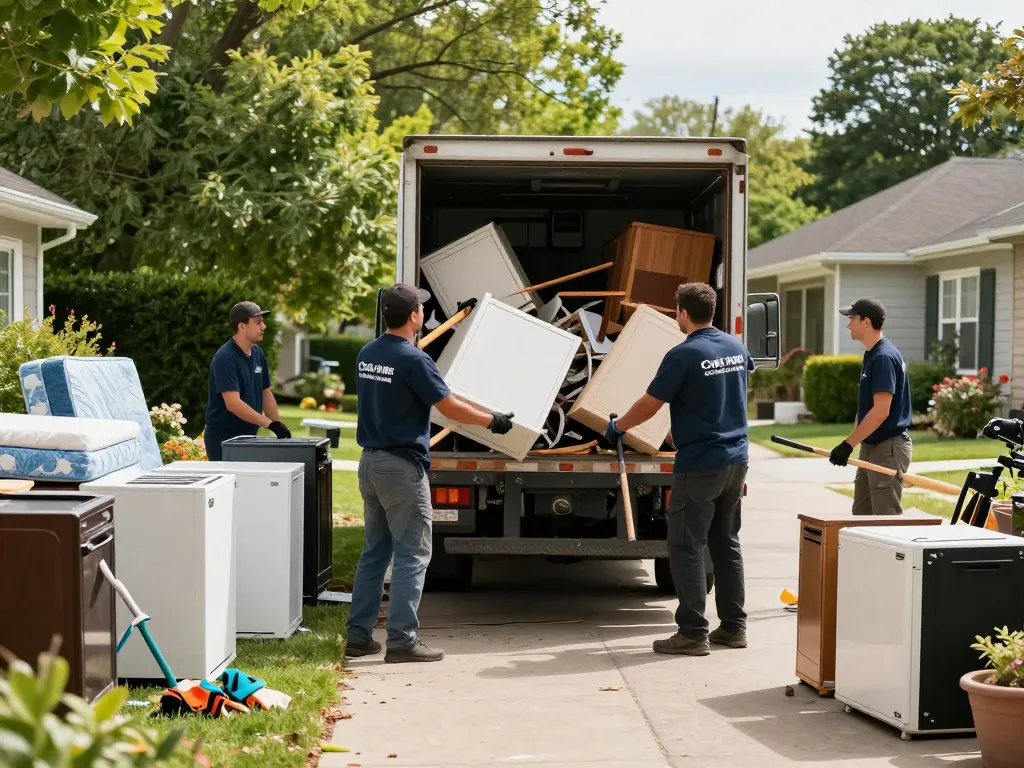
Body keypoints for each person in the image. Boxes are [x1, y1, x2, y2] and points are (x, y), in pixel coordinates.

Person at [345, 284, 515, 663]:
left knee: (375, 552)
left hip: (370, 462)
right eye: (420, 308)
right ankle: (402, 642)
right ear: (414, 317)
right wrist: (493, 421)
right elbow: (448, 406)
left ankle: (358, 636)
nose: (423, 313)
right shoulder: (414, 360)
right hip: (402, 468)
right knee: (413, 553)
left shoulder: (367, 353)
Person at [606, 282, 753, 656]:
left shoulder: (683, 354)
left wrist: (618, 427)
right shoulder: (737, 348)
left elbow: (650, 404)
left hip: (701, 463)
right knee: (726, 543)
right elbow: (722, 392)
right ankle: (734, 628)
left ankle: (692, 633)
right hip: (736, 459)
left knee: (686, 545)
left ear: (682, 313)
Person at [828, 297, 913, 515]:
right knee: (862, 517)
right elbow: (867, 409)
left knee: (885, 521)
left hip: (887, 448)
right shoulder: (873, 354)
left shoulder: (883, 357)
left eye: (852, 318)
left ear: (866, 321)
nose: (848, 324)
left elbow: (881, 411)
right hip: (872, 446)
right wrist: (854, 442)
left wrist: (848, 444)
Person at [204, 301, 291, 461]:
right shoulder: (225, 358)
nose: (263, 326)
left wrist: (278, 425)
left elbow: (265, 392)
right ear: (242, 326)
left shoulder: (257, 354)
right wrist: (268, 423)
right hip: (224, 441)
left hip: (248, 437)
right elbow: (233, 404)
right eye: (258, 322)